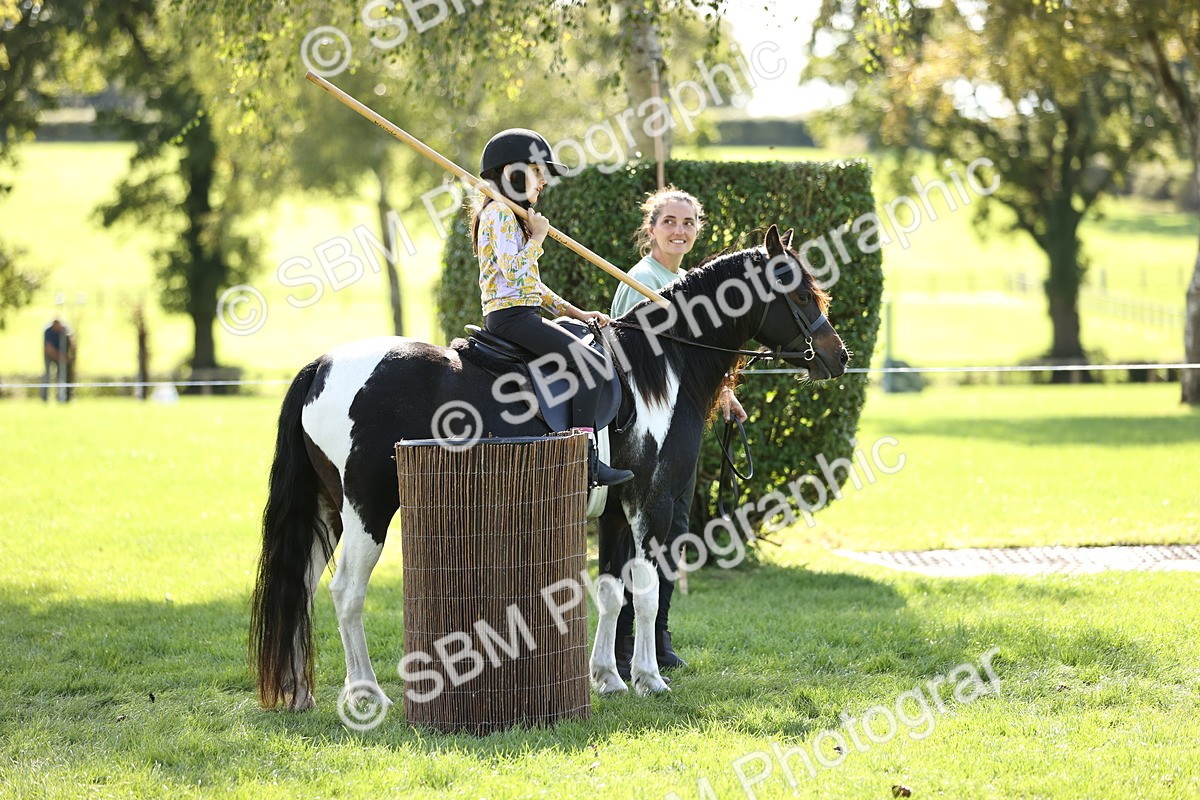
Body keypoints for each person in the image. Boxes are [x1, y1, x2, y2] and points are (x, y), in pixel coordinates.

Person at [610, 188, 748, 677]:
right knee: (636, 534)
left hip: (680, 428)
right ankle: (626, 638)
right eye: (669, 221)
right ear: (651, 230)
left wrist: (724, 393)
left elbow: (693, 362)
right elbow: (628, 356)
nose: (679, 231)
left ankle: (660, 632)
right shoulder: (641, 281)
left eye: (688, 223)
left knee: (675, 529)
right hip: (647, 436)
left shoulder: (689, 281)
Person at [473, 128, 633, 487]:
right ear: (512, 173)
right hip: (509, 318)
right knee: (592, 366)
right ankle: (582, 460)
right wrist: (539, 239)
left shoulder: (512, 217)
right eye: (536, 172)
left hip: (522, 312)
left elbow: (533, 286)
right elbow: (513, 272)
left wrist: (577, 313)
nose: (543, 182)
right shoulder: (498, 213)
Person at [41, 317, 74, 403]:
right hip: (49, 355)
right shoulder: (47, 332)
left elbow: (72, 343)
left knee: (61, 375)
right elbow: (49, 350)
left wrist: (68, 357)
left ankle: (61, 397)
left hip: (61, 353)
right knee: (47, 374)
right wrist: (63, 358)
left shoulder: (65, 330)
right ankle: (44, 398)